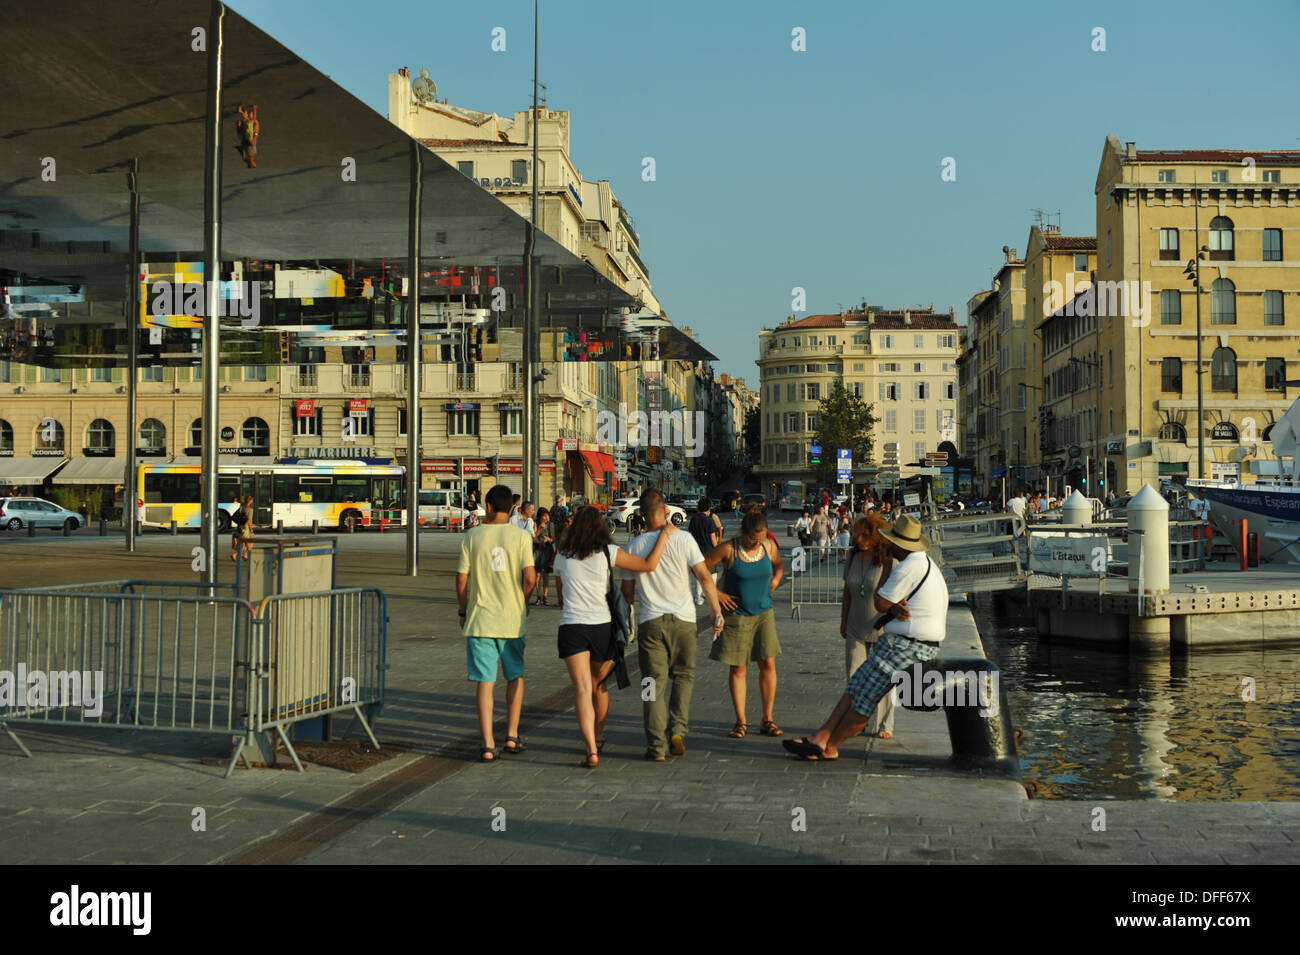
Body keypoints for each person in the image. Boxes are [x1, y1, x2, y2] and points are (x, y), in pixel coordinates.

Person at [783, 513, 949, 761]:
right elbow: (887, 603)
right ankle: (821, 736)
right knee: (854, 686)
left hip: (908, 645)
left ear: (897, 544)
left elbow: (880, 602)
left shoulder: (908, 566)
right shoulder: (923, 562)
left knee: (863, 698)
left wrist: (889, 602)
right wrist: (892, 605)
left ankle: (830, 746)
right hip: (904, 642)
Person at [553, 506, 676, 767]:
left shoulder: (562, 555)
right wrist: (664, 536)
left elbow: (561, 595)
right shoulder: (609, 553)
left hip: (572, 626)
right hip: (601, 627)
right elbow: (648, 565)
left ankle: (591, 750)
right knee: (599, 686)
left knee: (582, 689)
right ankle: (597, 735)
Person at [620, 489, 725, 761]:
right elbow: (704, 577)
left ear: (641, 514)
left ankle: (656, 747)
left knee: (651, 684)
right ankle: (677, 729)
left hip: (651, 622)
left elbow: (627, 594)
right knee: (684, 676)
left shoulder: (634, 546)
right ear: (665, 511)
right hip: (685, 621)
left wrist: (626, 626)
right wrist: (716, 612)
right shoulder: (685, 539)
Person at [456, 484, 537, 762]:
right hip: (512, 620)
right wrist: (523, 600)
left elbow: (462, 579)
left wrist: (462, 610)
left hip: (480, 620)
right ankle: (512, 736)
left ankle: (488, 744)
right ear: (512, 508)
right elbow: (531, 578)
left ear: (488, 507)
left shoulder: (472, 536)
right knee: (515, 676)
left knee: (485, 682)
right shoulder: (521, 537)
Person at [703, 510, 785, 739]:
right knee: (738, 667)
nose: (756, 542)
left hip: (764, 615)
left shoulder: (768, 547)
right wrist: (717, 595)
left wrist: (777, 580)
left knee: (768, 664)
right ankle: (741, 721)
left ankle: (767, 719)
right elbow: (701, 570)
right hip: (737, 616)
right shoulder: (729, 549)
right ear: (743, 533)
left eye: (760, 538)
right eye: (752, 539)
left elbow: (779, 565)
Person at [840, 513, 897, 738]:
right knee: (854, 676)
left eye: (866, 536)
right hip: (856, 625)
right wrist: (843, 620)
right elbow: (847, 592)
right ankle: (858, 720)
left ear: (877, 537)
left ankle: (885, 724)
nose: (860, 540)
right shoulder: (852, 556)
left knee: (884, 677)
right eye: (858, 535)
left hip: (882, 627)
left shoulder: (888, 560)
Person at [688, 497, 722, 606]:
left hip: (696, 550)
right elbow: (713, 539)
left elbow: (690, 534)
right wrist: (718, 550)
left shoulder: (694, 519)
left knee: (699, 574)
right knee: (713, 573)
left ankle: (698, 598)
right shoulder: (709, 521)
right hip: (709, 552)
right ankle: (708, 593)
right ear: (708, 508)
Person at [532, 507, 556, 606]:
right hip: (537, 550)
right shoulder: (534, 523)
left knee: (546, 574)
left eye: (547, 516)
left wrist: (548, 539)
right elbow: (534, 535)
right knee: (537, 574)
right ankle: (538, 596)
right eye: (544, 516)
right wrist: (541, 528)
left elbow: (553, 539)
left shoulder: (551, 525)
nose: (546, 518)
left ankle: (545, 596)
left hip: (547, 550)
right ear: (540, 516)